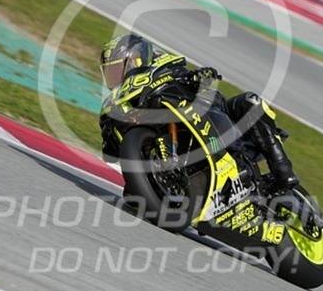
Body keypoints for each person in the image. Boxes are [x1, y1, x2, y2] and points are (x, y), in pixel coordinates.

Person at [99, 33, 299, 190]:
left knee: (250, 101)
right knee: (133, 199)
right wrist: (111, 131)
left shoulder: (166, 68)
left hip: (217, 117)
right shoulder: (118, 104)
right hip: (173, 147)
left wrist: (199, 76)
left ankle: (283, 171)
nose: (114, 78)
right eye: (109, 73)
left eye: (116, 70)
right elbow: (111, 155)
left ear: (135, 60)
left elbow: (201, 83)